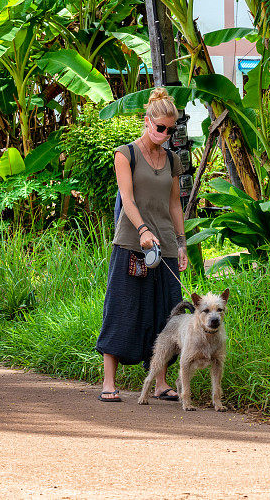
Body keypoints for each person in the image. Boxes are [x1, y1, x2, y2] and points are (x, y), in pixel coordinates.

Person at [96, 87, 187, 402]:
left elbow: (175, 205)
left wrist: (181, 242)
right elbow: (128, 199)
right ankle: (109, 382)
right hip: (133, 243)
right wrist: (143, 229)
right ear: (147, 121)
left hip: (165, 248)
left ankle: (160, 382)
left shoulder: (173, 159)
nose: (164, 133)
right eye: (160, 127)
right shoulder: (126, 154)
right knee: (123, 310)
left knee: (166, 315)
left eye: (170, 129)